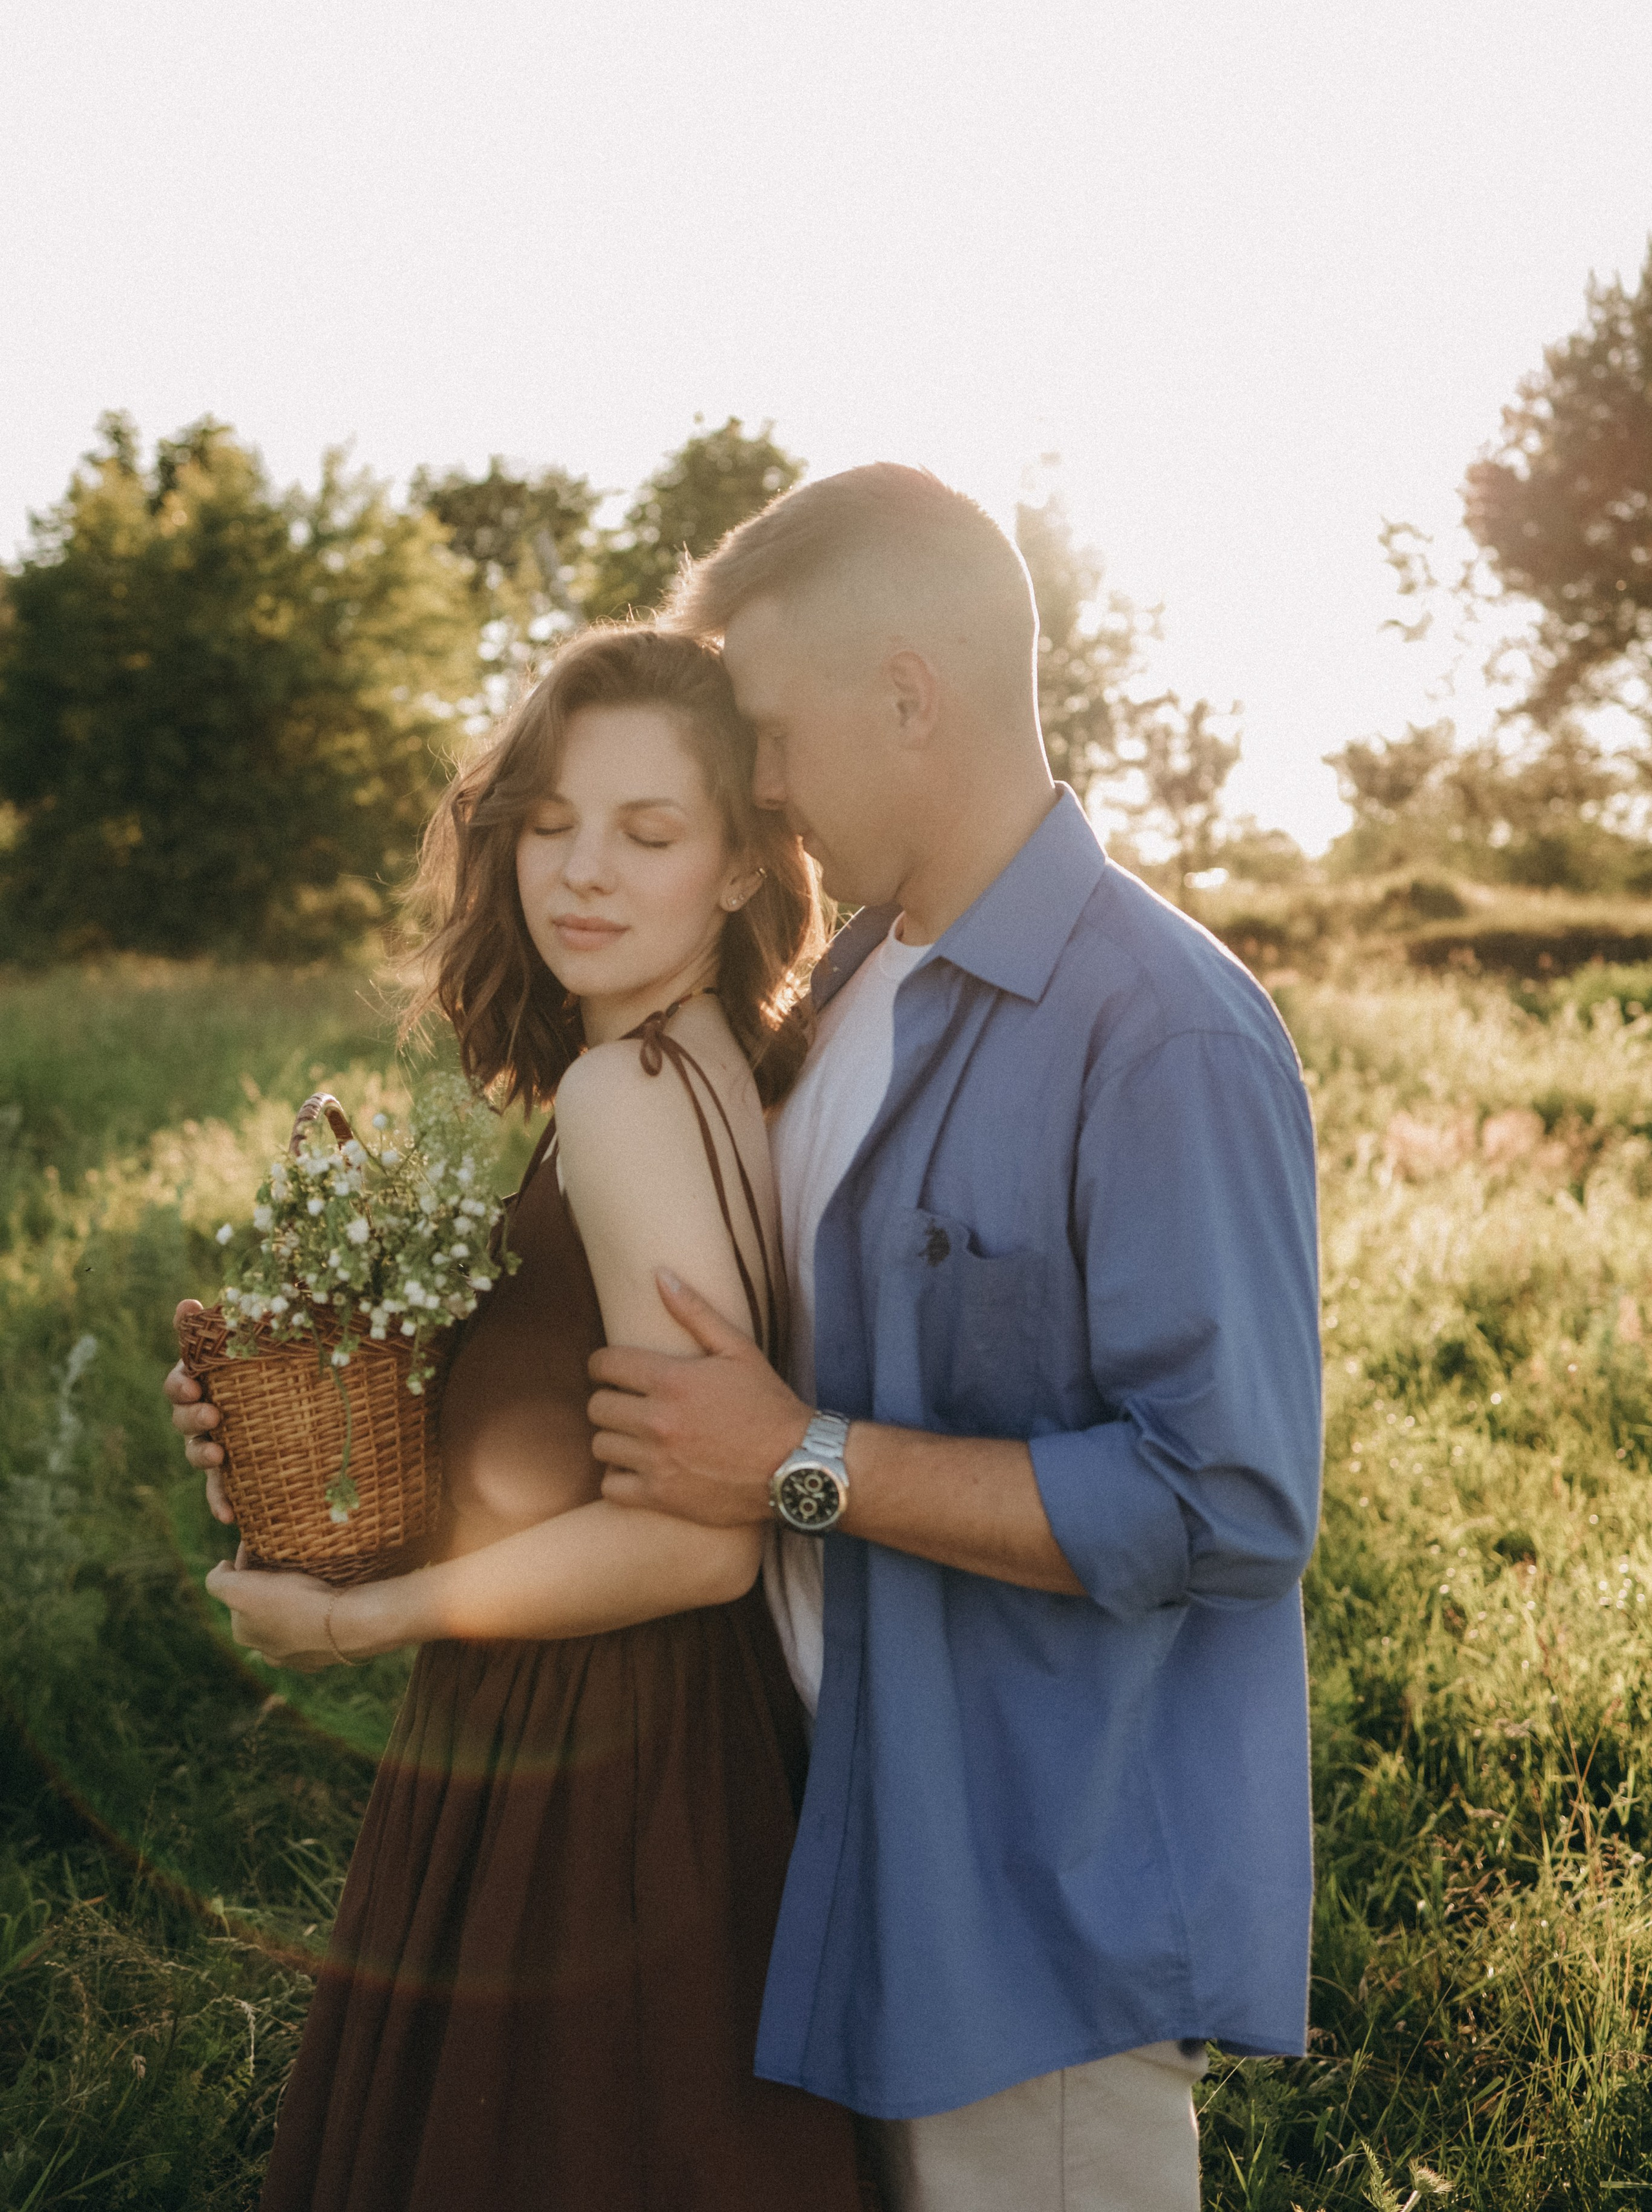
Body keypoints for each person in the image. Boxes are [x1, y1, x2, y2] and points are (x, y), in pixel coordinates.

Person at [583, 465, 1324, 2212]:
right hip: (842, 1851)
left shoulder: (1162, 1031)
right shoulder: (847, 985)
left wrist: (801, 1465)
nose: (761, 785)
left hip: (1036, 1910)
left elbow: (1226, 1504)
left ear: (909, 698)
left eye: (773, 734)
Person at [165, 628, 869, 2212]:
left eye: (647, 832)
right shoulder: (695, 1067)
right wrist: (327, 1430)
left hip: (600, 1753)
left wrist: (362, 1622)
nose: (581, 871)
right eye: (549, 821)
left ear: (741, 866)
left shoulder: (630, 1098)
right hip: (632, 1724)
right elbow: (582, 1448)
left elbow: (695, 1545)